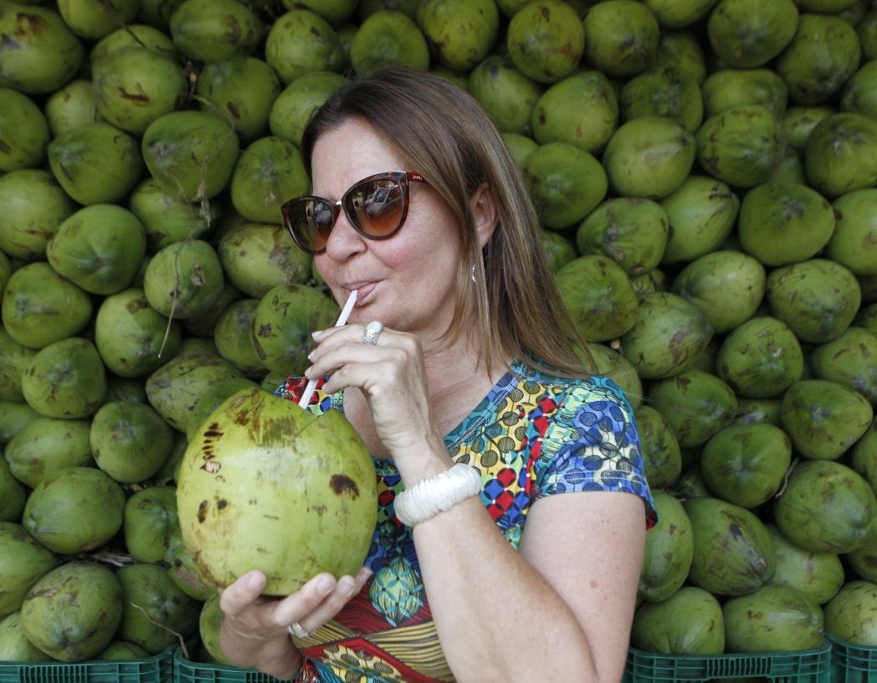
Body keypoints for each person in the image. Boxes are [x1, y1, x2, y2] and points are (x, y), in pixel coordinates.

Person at [216, 65, 656, 683]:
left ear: (476, 214)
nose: (337, 247)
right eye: (320, 217)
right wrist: (252, 630)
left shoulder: (576, 426)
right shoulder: (294, 415)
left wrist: (421, 451)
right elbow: (270, 655)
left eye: (376, 202)